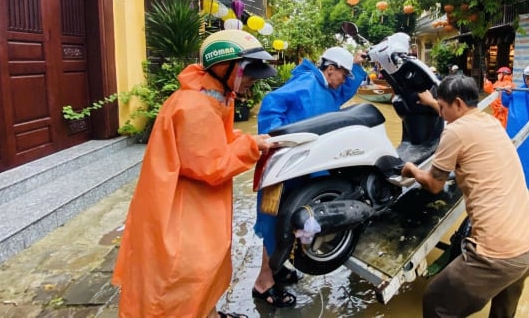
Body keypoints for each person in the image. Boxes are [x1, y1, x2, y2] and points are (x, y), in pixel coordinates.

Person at [112, 30, 278, 318]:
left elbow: (217, 139)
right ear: (224, 67)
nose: (253, 79)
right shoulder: (195, 106)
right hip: (180, 211)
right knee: (182, 276)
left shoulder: (212, 96)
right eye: (248, 71)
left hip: (194, 205)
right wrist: (252, 145)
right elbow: (210, 165)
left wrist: (250, 140)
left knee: (202, 272)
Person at [404, 76, 529, 318]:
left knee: (436, 300)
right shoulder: (490, 122)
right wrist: (432, 104)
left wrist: (412, 169)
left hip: (499, 255)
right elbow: (463, 126)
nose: (442, 113)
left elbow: (434, 185)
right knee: (502, 310)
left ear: (457, 103)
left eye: (442, 106)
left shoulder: (455, 132)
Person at [252, 46, 366, 307]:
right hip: (285, 167)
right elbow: (271, 103)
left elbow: (345, 92)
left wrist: (357, 66)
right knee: (274, 223)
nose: (345, 81)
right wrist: (276, 141)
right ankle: (263, 283)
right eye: (344, 74)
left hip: (303, 167)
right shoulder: (307, 83)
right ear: (330, 69)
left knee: (292, 220)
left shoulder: (327, 88)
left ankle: (277, 269)